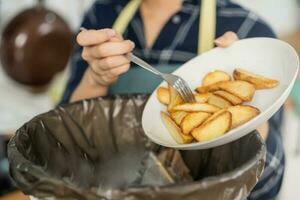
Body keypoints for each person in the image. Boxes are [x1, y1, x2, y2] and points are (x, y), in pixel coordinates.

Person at [61, 0, 285, 199]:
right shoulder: (102, 14)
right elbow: (61, 145)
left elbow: (270, 181)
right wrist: (94, 81)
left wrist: (241, 108)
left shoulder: (247, 27)